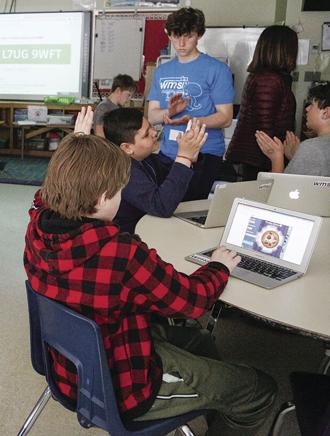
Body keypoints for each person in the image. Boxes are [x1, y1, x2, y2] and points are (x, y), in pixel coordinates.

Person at [23, 132, 277, 436]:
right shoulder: (120, 252)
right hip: (124, 390)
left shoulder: (37, 229)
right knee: (260, 389)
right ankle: (221, 401)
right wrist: (219, 267)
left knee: (201, 342)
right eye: (120, 191)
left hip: (70, 368)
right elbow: (191, 302)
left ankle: (213, 398)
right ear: (103, 197)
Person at [147, 7, 235, 200]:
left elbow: (225, 117)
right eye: (176, 36)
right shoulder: (162, 70)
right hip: (169, 152)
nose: (181, 43)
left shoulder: (217, 69)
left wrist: (191, 120)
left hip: (203, 152)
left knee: (190, 208)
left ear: (199, 35)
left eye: (188, 36)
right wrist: (168, 111)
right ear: (169, 35)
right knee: (166, 205)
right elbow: (152, 116)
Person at [103, 107, 206, 233]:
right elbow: (161, 206)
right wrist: (184, 157)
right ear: (127, 147)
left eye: (151, 126)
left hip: (153, 227)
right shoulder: (122, 172)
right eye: (146, 134)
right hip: (131, 236)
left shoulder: (149, 159)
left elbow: (180, 189)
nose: (154, 133)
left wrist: (190, 158)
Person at [226, 25, 298, 180]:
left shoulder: (270, 78)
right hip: (261, 161)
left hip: (263, 159)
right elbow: (264, 131)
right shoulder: (269, 80)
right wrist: (277, 160)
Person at [256, 83, 330, 176]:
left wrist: (277, 158)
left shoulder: (312, 148)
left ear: (326, 113)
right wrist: (295, 158)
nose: (307, 109)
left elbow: (281, 188)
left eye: (311, 104)